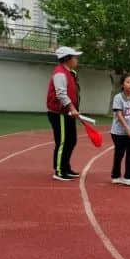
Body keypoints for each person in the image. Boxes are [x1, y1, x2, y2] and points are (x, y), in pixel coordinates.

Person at [46, 46, 83, 181]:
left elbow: (73, 93)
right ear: (67, 59)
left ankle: (66, 167)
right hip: (59, 113)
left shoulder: (70, 72)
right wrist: (72, 108)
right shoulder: (60, 73)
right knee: (62, 141)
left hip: (67, 112)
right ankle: (59, 171)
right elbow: (61, 94)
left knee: (71, 140)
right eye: (75, 57)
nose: (77, 59)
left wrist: (74, 108)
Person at [110, 74, 130, 187]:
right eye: (127, 82)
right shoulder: (118, 97)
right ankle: (116, 175)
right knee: (119, 154)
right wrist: (127, 129)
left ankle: (129, 177)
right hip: (118, 132)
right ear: (122, 84)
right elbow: (119, 115)